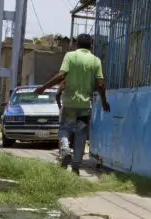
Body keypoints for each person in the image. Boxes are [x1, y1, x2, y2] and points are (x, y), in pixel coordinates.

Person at [35, 34, 110, 175]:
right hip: (85, 107)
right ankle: (75, 167)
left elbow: (62, 75)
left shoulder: (70, 56)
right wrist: (105, 102)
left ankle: (65, 150)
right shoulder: (96, 61)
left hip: (69, 104)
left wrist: (44, 87)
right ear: (91, 46)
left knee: (64, 129)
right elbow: (100, 84)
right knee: (81, 135)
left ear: (76, 45)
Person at [55, 80, 75, 150]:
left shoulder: (65, 82)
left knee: (64, 129)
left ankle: (65, 148)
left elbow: (57, 95)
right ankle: (73, 148)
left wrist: (60, 107)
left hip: (67, 108)